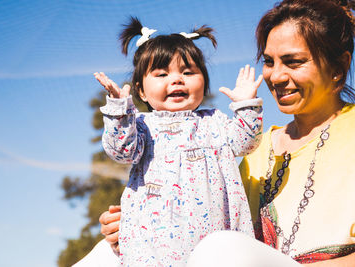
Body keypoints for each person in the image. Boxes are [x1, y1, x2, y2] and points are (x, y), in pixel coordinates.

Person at [90, 0, 355, 266]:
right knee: (106, 254)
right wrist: (146, 223)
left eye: (293, 62)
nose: (275, 76)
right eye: (269, 62)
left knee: (220, 245)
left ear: (338, 68)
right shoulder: (257, 149)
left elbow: (226, 248)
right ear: (141, 90)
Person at [91, 17, 263, 266]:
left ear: (204, 82)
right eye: (161, 74)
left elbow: (247, 143)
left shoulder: (215, 122)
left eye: (188, 72)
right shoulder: (141, 126)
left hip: (213, 244)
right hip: (151, 246)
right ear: (140, 91)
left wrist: (246, 105)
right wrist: (119, 110)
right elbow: (121, 151)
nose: (176, 80)